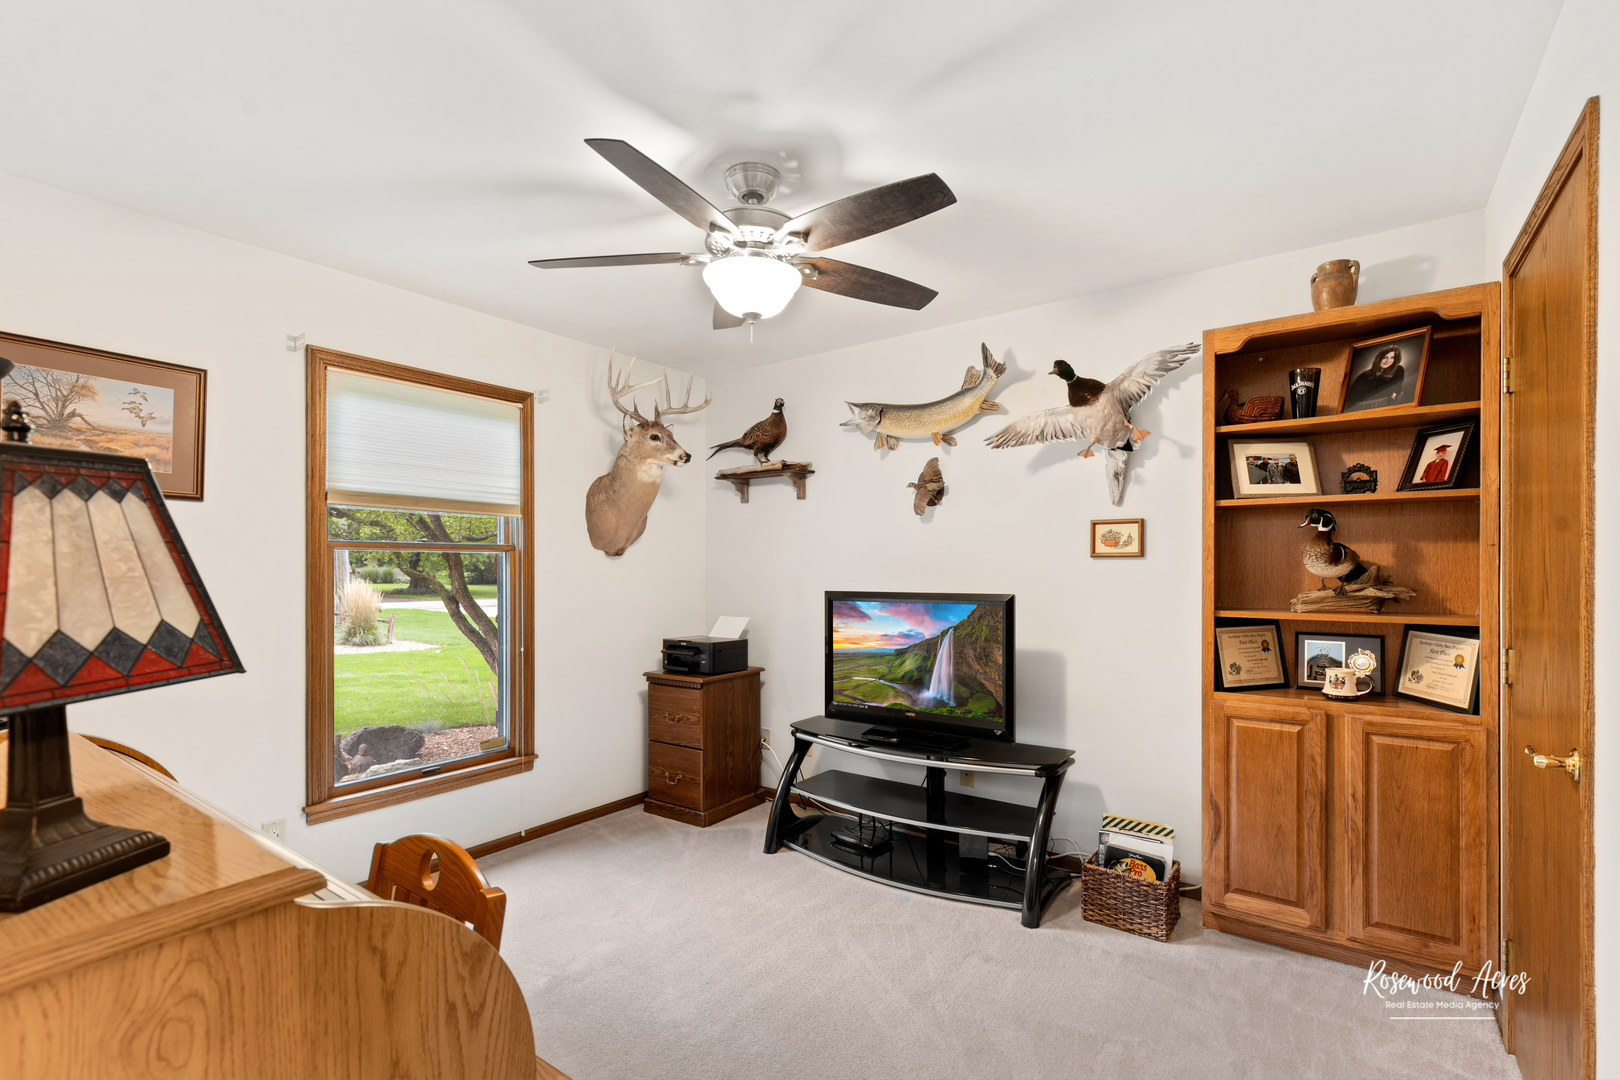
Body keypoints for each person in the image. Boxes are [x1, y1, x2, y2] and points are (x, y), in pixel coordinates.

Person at [1344, 344, 1407, 411]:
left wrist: (1394, 395)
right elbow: (1353, 400)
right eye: (1385, 357)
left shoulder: (1399, 370)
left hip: (1391, 405)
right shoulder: (1364, 376)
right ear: (1379, 358)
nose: (1388, 361)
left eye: (1392, 358)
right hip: (1365, 409)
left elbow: (1396, 389)